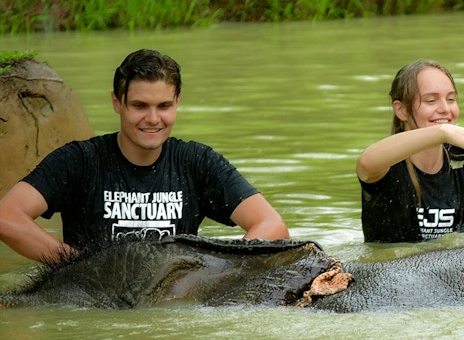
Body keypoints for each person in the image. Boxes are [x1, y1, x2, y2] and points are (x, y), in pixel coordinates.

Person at [0, 49, 289, 263]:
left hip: (173, 309)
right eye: (140, 105)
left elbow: (272, 225)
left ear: (178, 102)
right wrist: (78, 266)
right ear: (117, 102)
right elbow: (6, 216)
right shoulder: (79, 161)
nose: (153, 119)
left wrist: (216, 271)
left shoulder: (196, 163)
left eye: (163, 106)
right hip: (96, 307)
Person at [358, 59, 464, 243]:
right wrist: (442, 132)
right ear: (401, 110)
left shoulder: (459, 162)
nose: (445, 109)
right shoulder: (387, 165)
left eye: (451, 99)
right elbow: (366, 163)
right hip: (389, 269)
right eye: (431, 100)